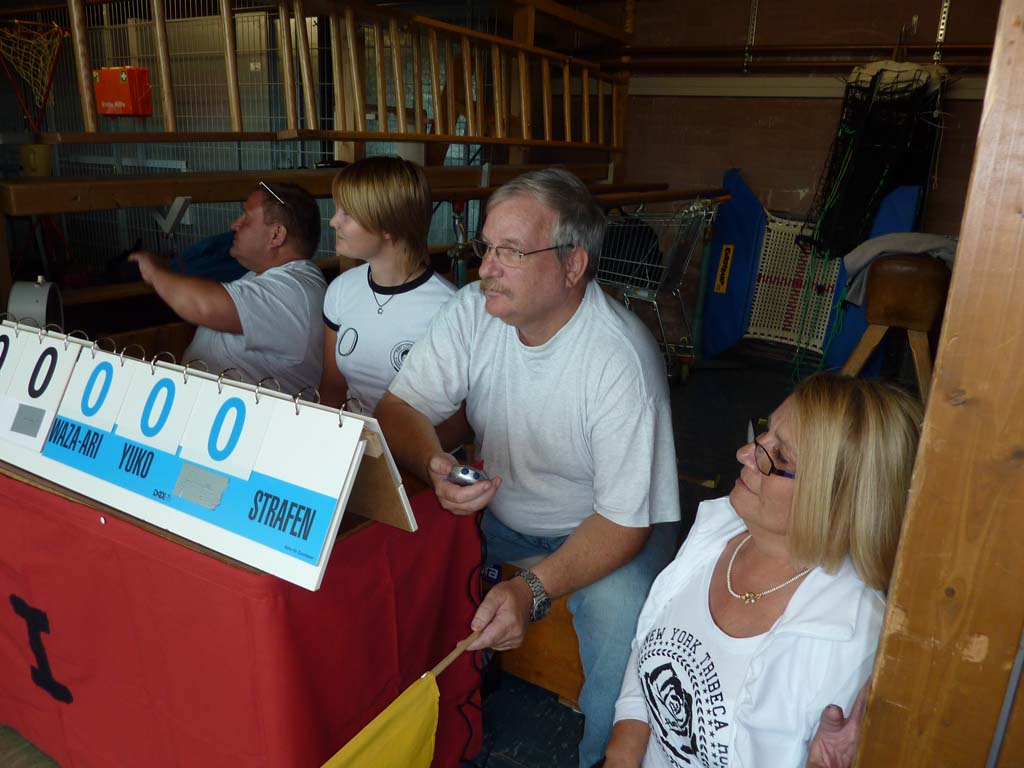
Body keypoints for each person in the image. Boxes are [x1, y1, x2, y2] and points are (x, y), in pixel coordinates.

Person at [375, 167, 681, 768]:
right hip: (503, 512)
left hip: (609, 527)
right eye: (486, 246)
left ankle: (602, 757)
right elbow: (399, 409)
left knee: (621, 612)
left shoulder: (619, 360)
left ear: (573, 265)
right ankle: (435, 719)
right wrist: (435, 465)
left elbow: (623, 522)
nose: (486, 267)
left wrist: (532, 589)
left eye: (511, 251)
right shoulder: (474, 311)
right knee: (406, 555)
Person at [604, 373, 922, 768]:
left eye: (780, 457)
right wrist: (620, 756)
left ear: (836, 499)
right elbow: (648, 653)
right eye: (764, 434)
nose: (744, 454)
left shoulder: (851, 637)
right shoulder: (718, 530)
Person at [129, 182, 326, 394]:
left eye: (246, 217)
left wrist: (155, 272)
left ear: (276, 235)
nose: (234, 225)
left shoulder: (294, 290)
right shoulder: (262, 276)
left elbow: (203, 306)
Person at [319, 156, 456, 415]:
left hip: (418, 442)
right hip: (356, 438)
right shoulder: (341, 289)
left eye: (348, 213)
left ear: (388, 225)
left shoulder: (449, 308)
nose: (334, 221)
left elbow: (458, 423)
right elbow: (333, 387)